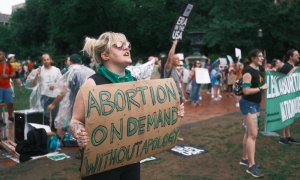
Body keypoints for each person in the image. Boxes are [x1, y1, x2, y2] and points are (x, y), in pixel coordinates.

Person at [69, 32, 140, 180]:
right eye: (120, 46)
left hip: (131, 159)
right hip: (102, 164)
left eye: (128, 45)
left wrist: (169, 115)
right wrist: (79, 133)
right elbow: (76, 120)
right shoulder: (92, 84)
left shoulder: (135, 82)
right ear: (105, 55)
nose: (126, 48)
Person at [48, 54, 95, 139]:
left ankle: (64, 143)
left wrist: (53, 104)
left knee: (71, 127)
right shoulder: (91, 71)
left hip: (77, 106)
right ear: (81, 62)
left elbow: (63, 92)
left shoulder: (71, 72)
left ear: (69, 62)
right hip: (93, 104)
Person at [239, 49, 267, 178]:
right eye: (260, 56)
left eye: (262, 56)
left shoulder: (259, 70)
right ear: (253, 58)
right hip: (248, 104)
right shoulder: (248, 71)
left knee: (248, 133)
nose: (262, 58)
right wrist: (261, 88)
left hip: (255, 104)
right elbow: (245, 91)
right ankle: (251, 166)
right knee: (253, 135)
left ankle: (244, 158)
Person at [29, 54, 62, 130]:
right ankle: (46, 132)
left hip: (55, 96)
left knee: (55, 116)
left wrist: (55, 85)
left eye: (48, 59)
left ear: (51, 60)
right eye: (44, 60)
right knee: (45, 116)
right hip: (44, 95)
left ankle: (54, 133)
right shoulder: (39, 70)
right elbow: (34, 84)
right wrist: (37, 75)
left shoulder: (56, 70)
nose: (46, 61)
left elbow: (61, 82)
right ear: (42, 61)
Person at [277, 49, 300, 145]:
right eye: (296, 55)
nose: (298, 56)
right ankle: (282, 138)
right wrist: (292, 71)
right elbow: (279, 80)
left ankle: (288, 136)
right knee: (285, 117)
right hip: (285, 96)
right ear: (291, 57)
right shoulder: (286, 67)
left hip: (291, 95)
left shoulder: (292, 66)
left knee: (289, 116)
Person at [0, 50, 15, 126]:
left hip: (7, 87)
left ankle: (10, 116)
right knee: (0, 104)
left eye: (0, 54)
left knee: (10, 102)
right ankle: (0, 119)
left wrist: (7, 76)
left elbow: (13, 74)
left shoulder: (8, 64)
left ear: (3, 55)